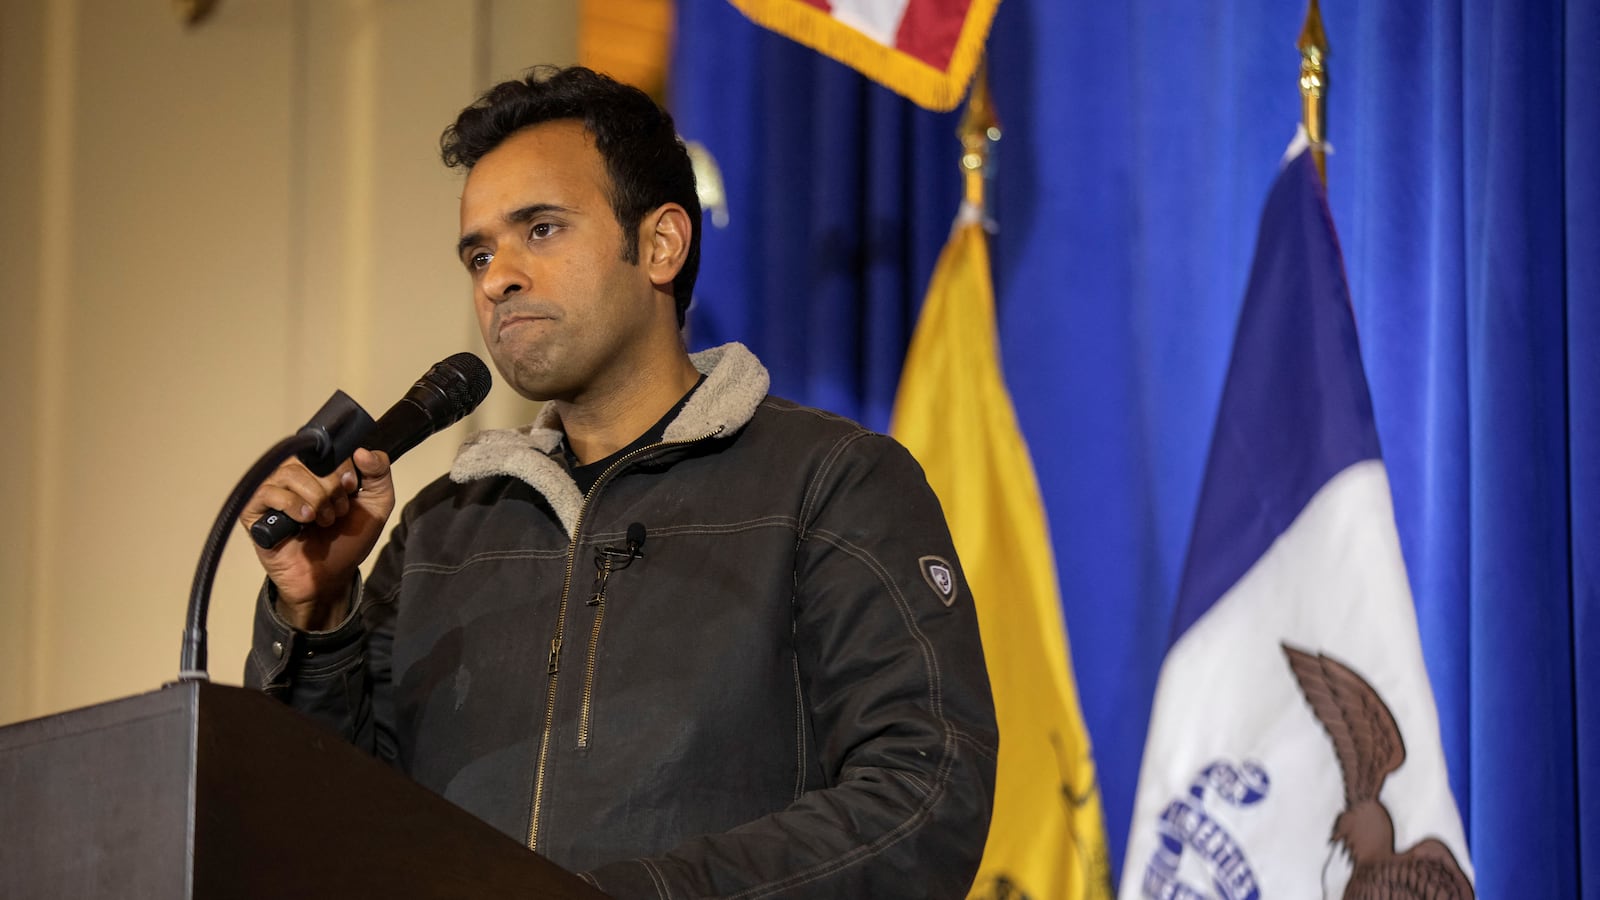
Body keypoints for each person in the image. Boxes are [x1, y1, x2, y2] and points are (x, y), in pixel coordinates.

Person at [242, 65, 997, 899]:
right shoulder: (437, 532)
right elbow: (330, 830)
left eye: (541, 229)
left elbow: (924, 795)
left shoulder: (830, 483)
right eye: (479, 252)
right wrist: (314, 617)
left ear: (661, 245)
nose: (497, 278)